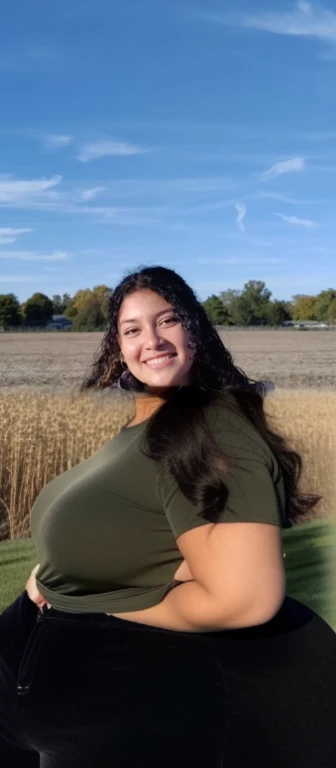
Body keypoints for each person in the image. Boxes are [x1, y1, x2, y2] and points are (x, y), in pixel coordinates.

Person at [0, 264, 335, 768]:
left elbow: (243, 600)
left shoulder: (214, 425)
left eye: (168, 321)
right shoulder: (140, 430)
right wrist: (47, 574)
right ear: (117, 348)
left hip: (112, 697)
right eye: (132, 329)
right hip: (41, 671)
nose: (151, 340)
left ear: (196, 331)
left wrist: (105, 603)